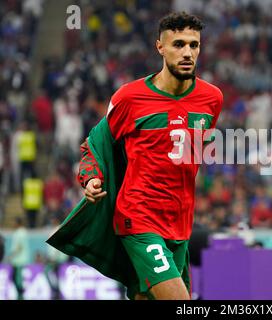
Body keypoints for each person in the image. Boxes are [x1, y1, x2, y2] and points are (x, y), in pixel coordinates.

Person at [47, 12, 223, 300]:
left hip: (180, 222)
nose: (188, 52)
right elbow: (96, 143)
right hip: (138, 217)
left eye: (194, 45)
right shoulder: (130, 98)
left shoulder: (212, 98)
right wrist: (91, 178)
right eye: (178, 44)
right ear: (160, 47)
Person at [7, 217, 30, 300]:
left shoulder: (21, 232)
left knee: (17, 278)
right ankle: (20, 293)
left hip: (20, 260)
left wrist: (11, 256)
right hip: (16, 260)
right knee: (15, 277)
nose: (13, 224)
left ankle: (21, 295)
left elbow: (19, 247)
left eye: (14, 222)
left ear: (18, 223)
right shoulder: (17, 232)